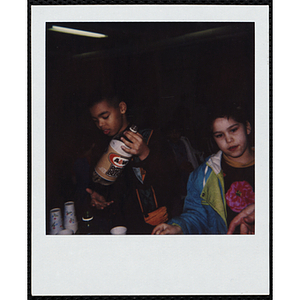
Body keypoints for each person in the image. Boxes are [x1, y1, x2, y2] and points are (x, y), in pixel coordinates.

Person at [85, 92, 181, 234]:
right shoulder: (102, 147)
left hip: (156, 227)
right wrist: (101, 198)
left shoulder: (149, 138)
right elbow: (111, 191)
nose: (100, 124)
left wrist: (145, 154)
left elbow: (174, 182)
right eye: (95, 120)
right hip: (121, 228)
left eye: (105, 117)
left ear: (122, 108)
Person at [152, 102, 255, 235]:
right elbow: (197, 215)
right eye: (219, 135)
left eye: (233, 130)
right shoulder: (203, 175)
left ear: (247, 127)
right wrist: (179, 227)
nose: (228, 139)